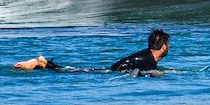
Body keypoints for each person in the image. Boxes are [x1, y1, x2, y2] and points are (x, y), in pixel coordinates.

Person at [13, 29, 171, 73]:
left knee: (75, 70)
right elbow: (133, 71)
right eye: (168, 44)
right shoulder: (148, 59)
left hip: (110, 70)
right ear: (163, 46)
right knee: (74, 72)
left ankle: (44, 64)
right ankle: (44, 64)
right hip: (109, 72)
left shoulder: (148, 55)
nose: (168, 47)